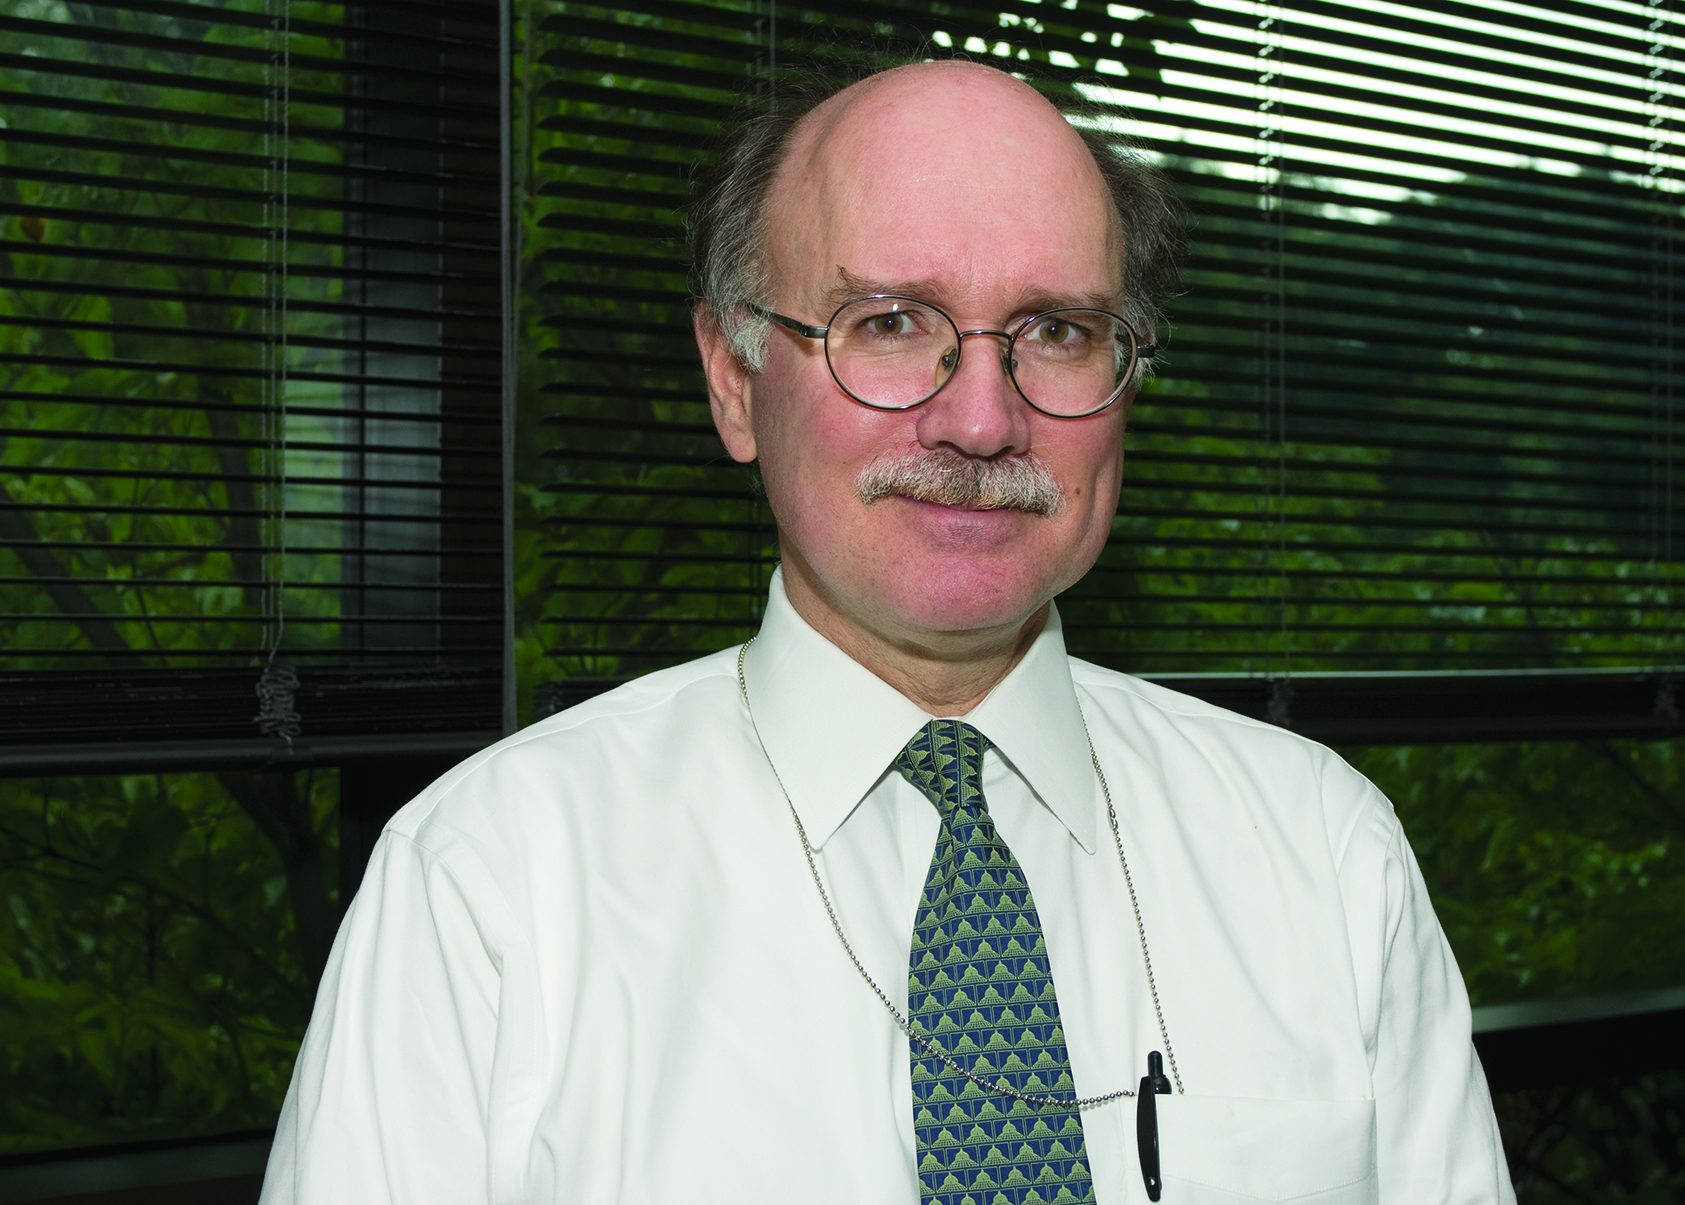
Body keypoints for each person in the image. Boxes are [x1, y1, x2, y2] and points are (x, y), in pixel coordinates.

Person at [261, 60, 1514, 1204]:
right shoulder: (489, 889)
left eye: (1057, 332)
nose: (980, 417)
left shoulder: (1324, 856)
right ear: (734, 377)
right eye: (890, 321)